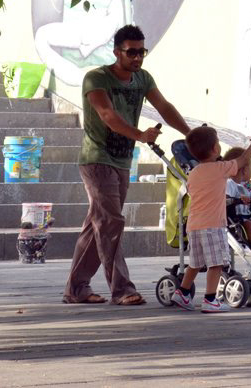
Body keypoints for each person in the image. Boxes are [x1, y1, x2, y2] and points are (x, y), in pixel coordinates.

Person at [64, 24, 190, 306]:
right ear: (116, 52)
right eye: (131, 52)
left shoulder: (143, 79)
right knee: (110, 222)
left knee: (98, 224)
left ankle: (76, 288)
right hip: (97, 159)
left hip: (122, 160)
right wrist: (140, 135)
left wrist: (189, 134)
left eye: (141, 52)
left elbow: (164, 107)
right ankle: (121, 289)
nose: (137, 58)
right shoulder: (96, 78)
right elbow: (107, 114)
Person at [171, 127, 251, 312]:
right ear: (215, 149)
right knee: (216, 263)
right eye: (218, 142)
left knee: (195, 263)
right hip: (213, 225)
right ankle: (210, 299)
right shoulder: (220, 169)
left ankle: (183, 292)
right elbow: (243, 159)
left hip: (194, 225)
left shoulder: (193, 173)